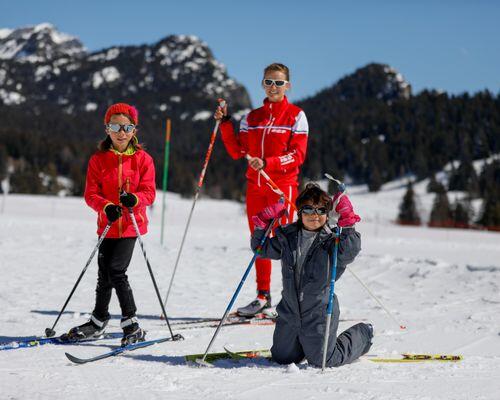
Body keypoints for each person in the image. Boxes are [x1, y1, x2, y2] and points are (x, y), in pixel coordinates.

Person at [214, 63, 309, 317]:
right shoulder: (251, 118)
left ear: (288, 85)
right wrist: (225, 124)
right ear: (263, 84)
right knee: (261, 243)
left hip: (281, 188)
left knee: (286, 242)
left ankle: (292, 298)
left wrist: (269, 163)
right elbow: (237, 151)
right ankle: (262, 296)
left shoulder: (296, 116)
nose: (273, 87)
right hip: (256, 188)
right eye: (269, 82)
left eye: (279, 82)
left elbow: (297, 155)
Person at [250, 183, 373, 367]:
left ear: (327, 214)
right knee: (282, 359)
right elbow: (261, 249)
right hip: (289, 312)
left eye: (321, 210)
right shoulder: (288, 238)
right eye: (308, 209)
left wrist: (348, 221)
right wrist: (262, 222)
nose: (314, 215)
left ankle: (364, 334)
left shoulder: (332, 241)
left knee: (324, 360)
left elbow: (350, 252)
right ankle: (304, 345)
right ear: (299, 212)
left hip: (319, 313)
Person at [66, 103, 156, 346]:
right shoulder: (98, 160)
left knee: (117, 271)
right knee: (103, 274)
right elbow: (90, 194)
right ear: (107, 129)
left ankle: (131, 322)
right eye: (115, 126)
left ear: (134, 130)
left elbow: (149, 192)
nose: (121, 132)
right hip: (107, 224)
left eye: (127, 127)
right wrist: (106, 206)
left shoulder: (143, 160)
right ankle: (98, 319)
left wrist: (134, 199)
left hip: (130, 226)